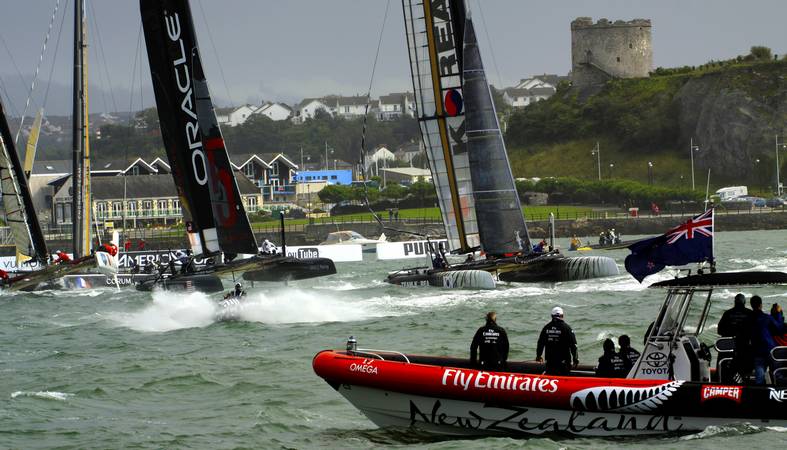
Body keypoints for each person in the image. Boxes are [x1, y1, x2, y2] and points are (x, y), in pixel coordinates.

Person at [750, 295, 786, 385]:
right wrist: (778, 315)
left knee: (760, 375)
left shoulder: (748, 318)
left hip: (756, 350)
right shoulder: (767, 318)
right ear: (760, 305)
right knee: (777, 374)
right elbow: (779, 328)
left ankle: (760, 393)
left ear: (751, 305)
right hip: (770, 349)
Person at [536, 306, 578, 376]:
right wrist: (575, 359)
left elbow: (540, 343)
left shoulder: (546, 328)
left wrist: (538, 356)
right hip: (564, 363)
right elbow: (573, 345)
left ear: (551, 316)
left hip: (550, 362)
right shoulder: (567, 328)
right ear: (562, 316)